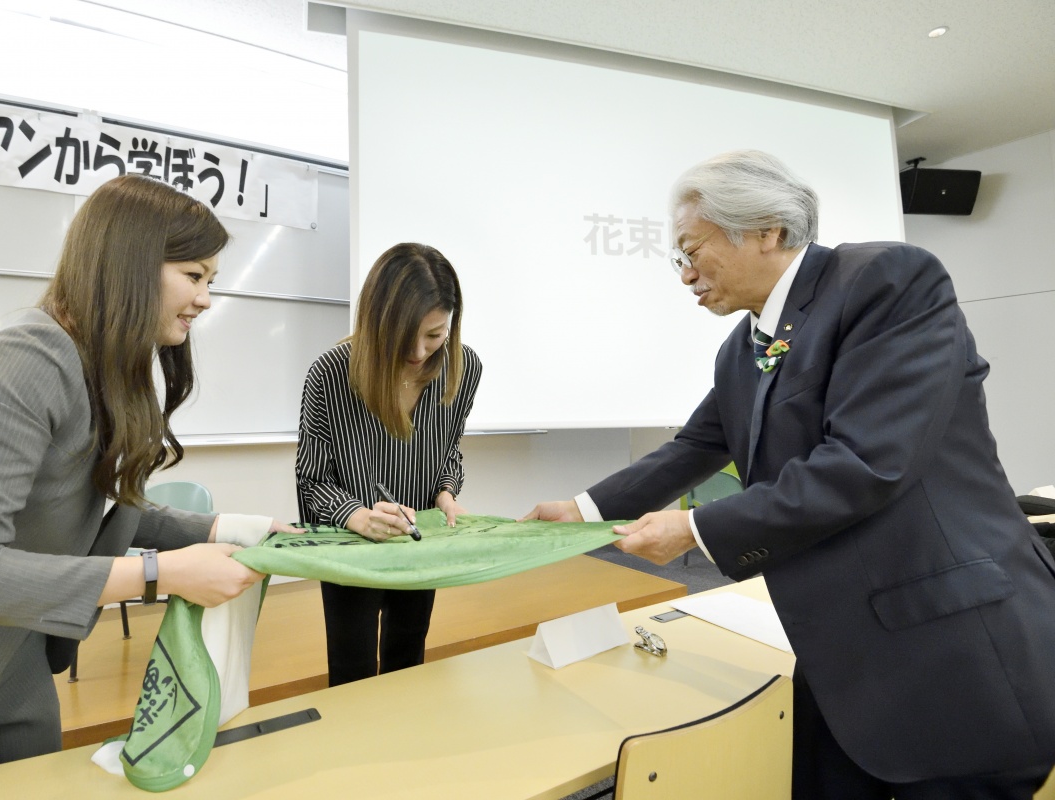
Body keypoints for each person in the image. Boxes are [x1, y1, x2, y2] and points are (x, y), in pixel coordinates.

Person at [526, 151, 1055, 798]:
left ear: (767, 230)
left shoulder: (888, 283)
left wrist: (694, 529)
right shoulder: (740, 349)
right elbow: (696, 445)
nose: (685, 273)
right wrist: (580, 511)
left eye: (692, 249)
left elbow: (866, 463)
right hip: (844, 657)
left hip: (950, 650)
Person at [0, 174, 296, 799]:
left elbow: (91, 507)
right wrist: (159, 575)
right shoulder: (23, 364)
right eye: (194, 276)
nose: (204, 299)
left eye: (211, 281)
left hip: (10, 660)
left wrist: (237, 531)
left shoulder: (99, 367)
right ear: (132, 266)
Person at [295, 242, 482, 686]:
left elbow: (448, 449)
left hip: (418, 541)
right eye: (405, 336)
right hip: (351, 548)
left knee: (408, 654)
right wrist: (357, 515)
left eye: (435, 335)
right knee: (352, 667)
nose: (419, 351)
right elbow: (312, 478)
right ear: (377, 321)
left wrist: (445, 492)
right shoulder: (331, 374)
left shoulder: (463, 367)